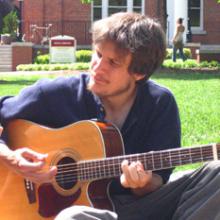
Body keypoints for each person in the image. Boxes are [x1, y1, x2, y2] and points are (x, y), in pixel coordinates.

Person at [0, 12, 220, 220]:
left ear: (139, 72)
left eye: (113, 62)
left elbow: (159, 182)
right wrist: (11, 159)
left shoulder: (160, 104)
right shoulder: (55, 94)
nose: (98, 67)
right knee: (72, 217)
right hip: (86, 213)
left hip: (142, 208)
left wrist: (141, 184)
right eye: (98, 54)